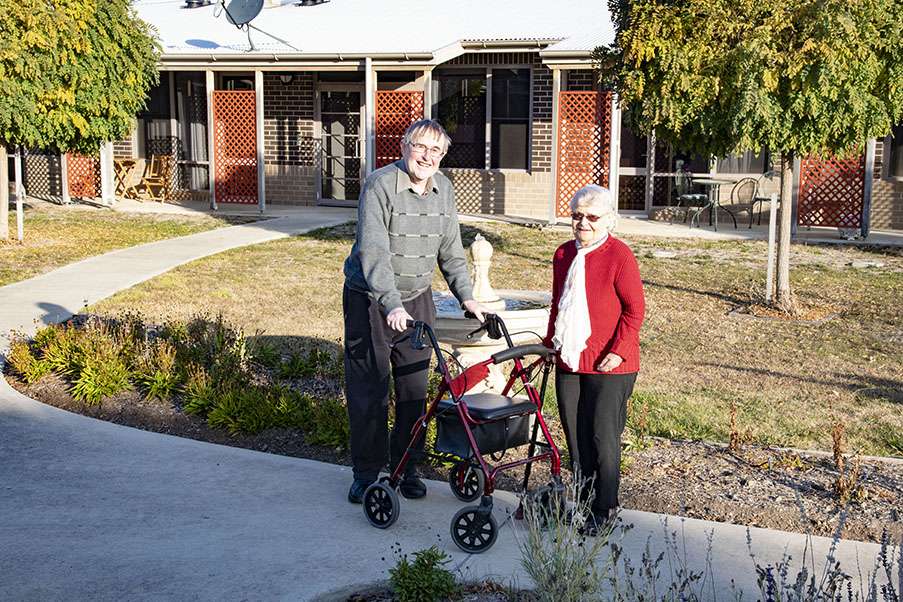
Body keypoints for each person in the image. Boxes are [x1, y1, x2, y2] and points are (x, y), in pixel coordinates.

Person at [342, 119, 487, 504]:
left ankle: (406, 466)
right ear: (405, 146)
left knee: (414, 388)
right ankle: (366, 473)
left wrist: (467, 298)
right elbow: (373, 251)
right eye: (421, 147)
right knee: (369, 388)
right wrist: (389, 302)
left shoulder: (444, 190)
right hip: (370, 299)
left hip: (418, 297)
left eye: (436, 151)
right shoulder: (380, 184)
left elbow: (452, 251)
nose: (427, 156)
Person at [543, 184, 645, 534]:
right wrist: (548, 345)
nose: (582, 223)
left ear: (609, 221)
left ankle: (605, 509)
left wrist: (617, 351)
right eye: (576, 216)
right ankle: (585, 502)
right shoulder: (562, 255)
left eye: (591, 217)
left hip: (611, 363)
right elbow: (559, 304)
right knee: (576, 436)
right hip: (570, 357)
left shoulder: (619, 256)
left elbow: (635, 310)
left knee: (603, 436)